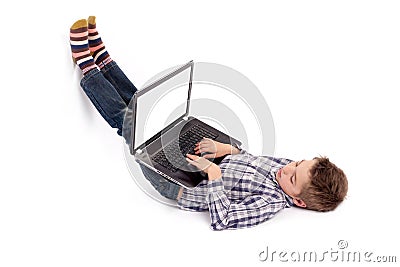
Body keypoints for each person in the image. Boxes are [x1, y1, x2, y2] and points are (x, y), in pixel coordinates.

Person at [69, 17, 348, 231]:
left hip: (183, 185)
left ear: (298, 201)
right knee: (147, 114)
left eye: (293, 177)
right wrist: (225, 148)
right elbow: (250, 160)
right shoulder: (286, 169)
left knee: (131, 128)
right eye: (297, 163)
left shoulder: (270, 204)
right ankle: (104, 62)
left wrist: (214, 175)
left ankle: (87, 65)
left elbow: (223, 219)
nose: (287, 167)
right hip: (204, 161)